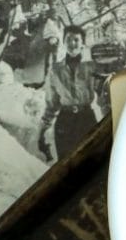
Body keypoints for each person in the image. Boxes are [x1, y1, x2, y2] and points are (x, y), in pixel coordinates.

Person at [38, 24, 102, 162]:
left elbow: (104, 89)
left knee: (91, 163)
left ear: (82, 43)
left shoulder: (92, 67)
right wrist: (43, 129)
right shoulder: (55, 70)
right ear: (63, 41)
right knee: (68, 165)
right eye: (69, 39)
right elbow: (51, 103)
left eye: (76, 40)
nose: (72, 43)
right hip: (65, 122)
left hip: (87, 120)